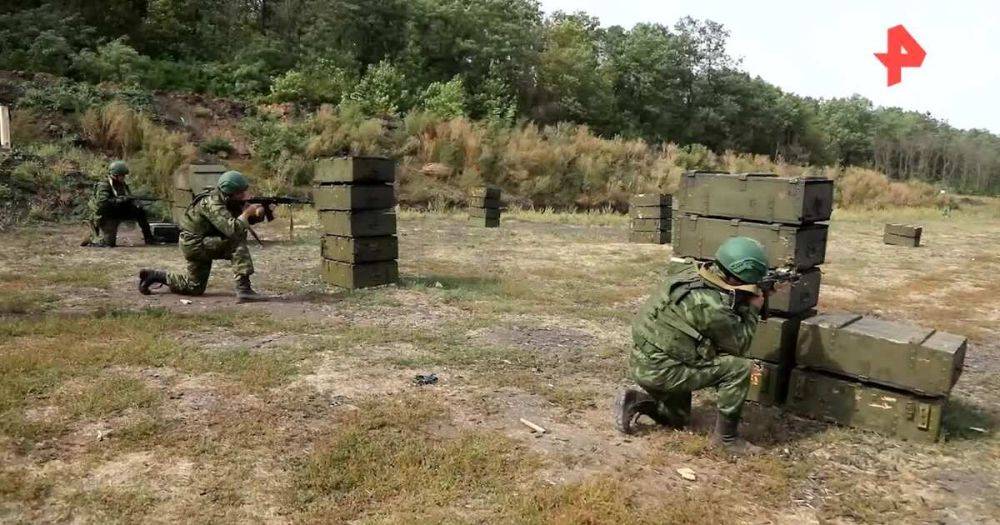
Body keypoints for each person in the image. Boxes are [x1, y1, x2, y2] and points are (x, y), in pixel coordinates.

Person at [614, 236, 770, 455]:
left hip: (645, 362)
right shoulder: (711, 306)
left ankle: (636, 401)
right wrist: (753, 309)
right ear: (739, 278)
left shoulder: (690, 272)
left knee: (678, 419)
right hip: (664, 371)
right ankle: (726, 440)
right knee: (740, 368)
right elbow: (740, 345)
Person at [136, 170, 269, 303]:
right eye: (240, 193)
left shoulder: (224, 199)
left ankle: (155, 276)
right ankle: (244, 290)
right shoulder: (212, 204)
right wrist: (246, 213)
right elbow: (233, 230)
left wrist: (258, 215)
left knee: (195, 287)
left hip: (198, 242)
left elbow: (235, 220)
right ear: (229, 193)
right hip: (195, 244)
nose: (245, 197)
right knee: (236, 243)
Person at [81, 160, 155, 247]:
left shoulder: (122, 184)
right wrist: (119, 200)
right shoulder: (104, 185)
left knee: (140, 211)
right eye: (122, 175)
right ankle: (90, 238)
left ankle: (149, 238)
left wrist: (135, 203)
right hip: (105, 214)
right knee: (109, 243)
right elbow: (103, 203)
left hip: (116, 210)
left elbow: (128, 197)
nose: (123, 177)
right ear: (115, 175)